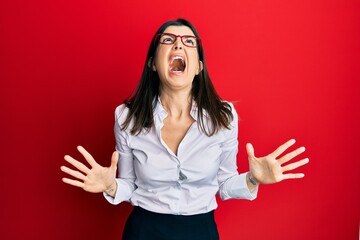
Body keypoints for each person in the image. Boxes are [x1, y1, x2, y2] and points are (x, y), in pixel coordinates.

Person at [61, 18, 309, 240]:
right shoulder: (127, 117)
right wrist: (111, 186)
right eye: (168, 40)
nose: (178, 45)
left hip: (201, 231)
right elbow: (129, 185)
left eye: (189, 41)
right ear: (153, 64)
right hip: (144, 230)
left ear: (199, 66)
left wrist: (254, 179)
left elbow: (224, 184)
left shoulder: (223, 117)